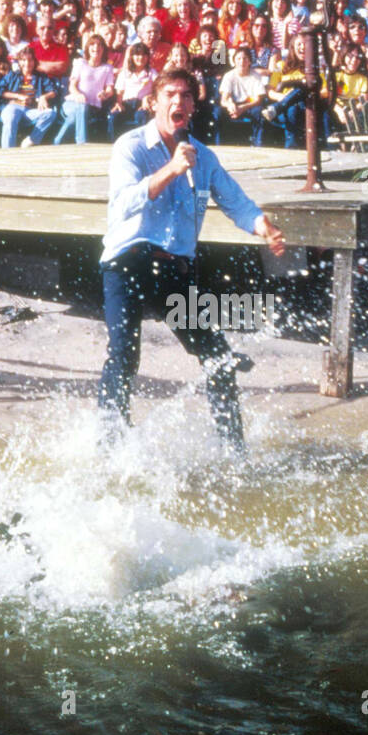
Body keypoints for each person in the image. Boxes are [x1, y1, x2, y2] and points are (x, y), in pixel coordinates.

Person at [100, 68, 286, 451]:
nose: (178, 102)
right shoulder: (130, 146)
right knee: (123, 354)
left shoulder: (202, 156)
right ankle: (108, 447)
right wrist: (170, 169)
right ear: (153, 102)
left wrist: (264, 227)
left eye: (186, 96)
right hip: (128, 263)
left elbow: (236, 201)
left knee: (217, 355)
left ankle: (233, 450)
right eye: (170, 94)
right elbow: (121, 204)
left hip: (175, 271)